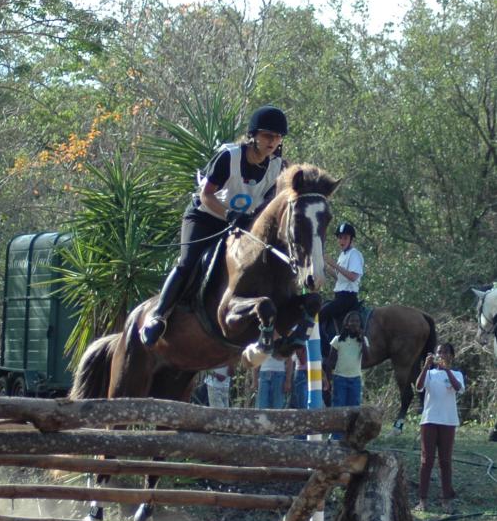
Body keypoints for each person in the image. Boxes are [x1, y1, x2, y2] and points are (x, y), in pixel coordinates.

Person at [140, 105, 289, 347]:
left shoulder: (276, 166)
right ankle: (158, 315)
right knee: (187, 263)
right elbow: (206, 194)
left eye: (277, 137)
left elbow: (267, 203)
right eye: (268, 136)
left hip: (241, 225)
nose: (273, 141)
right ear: (254, 135)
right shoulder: (229, 157)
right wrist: (229, 214)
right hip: (205, 217)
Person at [414, 343, 465, 514]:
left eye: (445, 352)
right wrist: (425, 366)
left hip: (448, 421)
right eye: (439, 352)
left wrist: (447, 370)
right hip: (429, 420)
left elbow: (458, 388)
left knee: (445, 461)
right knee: (426, 460)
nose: (441, 355)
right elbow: (418, 386)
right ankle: (422, 500)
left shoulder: (456, 374)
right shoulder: (429, 373)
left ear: (451, 356)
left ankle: (446, 500)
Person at [319, 222, 364, 356]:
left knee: (319, 316)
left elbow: (353, 277)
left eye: (345, 238)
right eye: (340, 237)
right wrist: (326, 266)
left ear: (351, 239)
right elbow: (340, 277)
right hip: (339, 296)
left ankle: (325, 352)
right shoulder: (343, 255)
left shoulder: (355, 254)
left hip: (347, 298)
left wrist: (334, 264)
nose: (341, 241)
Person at [325, 311, 369, 409]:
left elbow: (367, 358)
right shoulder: (338, 339)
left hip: (355, 379)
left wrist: (362, 341)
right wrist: (328, 379)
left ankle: (351, 425)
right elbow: (330, 361)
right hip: (339, 379)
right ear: (347, 324)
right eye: (352, 321)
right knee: (338, 408)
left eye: (357, 321)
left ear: (360, 324)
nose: (354, 323)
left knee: (354, 409)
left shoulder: (364, 340)